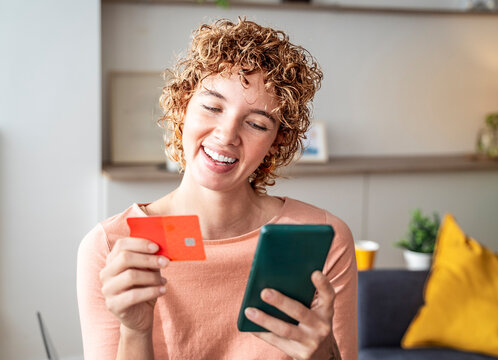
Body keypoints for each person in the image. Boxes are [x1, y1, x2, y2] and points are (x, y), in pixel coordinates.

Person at [77, 18, 358, 360]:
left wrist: (324, 356)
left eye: (256, 123)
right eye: (212, 106)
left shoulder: (324, 240)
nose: (227, 135)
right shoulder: (110, 246)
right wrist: (135, 331)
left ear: (276, 142)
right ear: (183, 107)